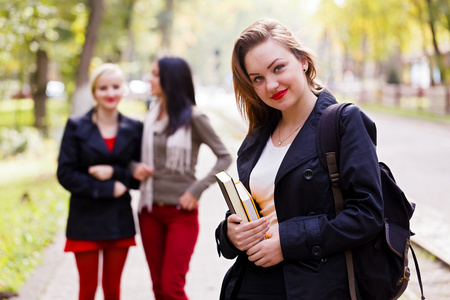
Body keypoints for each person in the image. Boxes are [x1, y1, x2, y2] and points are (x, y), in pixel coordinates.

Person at [215, 19, 384, 300]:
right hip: (251, 285)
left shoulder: (342, 122)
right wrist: (230, 234)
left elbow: (368, 214)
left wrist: (288, 241)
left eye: (278, 68)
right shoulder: (259, 134)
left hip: (313, 288)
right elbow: (265, 205)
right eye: (257, 78)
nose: (271, 84)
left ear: (303, 61)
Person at [133, 55, 232, 300]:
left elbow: (224, 157)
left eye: (155, 74)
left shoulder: (194, 118)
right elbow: (134, 156)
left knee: (171, 287)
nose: (149, 79)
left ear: (171, 80)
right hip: (148, 211)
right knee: (158, 288)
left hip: (180, 212)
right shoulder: (150, 117)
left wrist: (196, 190)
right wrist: (135, 167)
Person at [57, 63, 142, 300]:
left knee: (113, 291)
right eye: (103, 88)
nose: (110, 93)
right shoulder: (76, 126)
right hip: (85, 220)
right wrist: (106, 188)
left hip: (118, 220)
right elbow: (65, 173)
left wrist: (113, 171)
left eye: (115, 86)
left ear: (123, 89)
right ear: (95, 92)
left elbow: (138, 177)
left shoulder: (135, 128)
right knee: (87, 290)